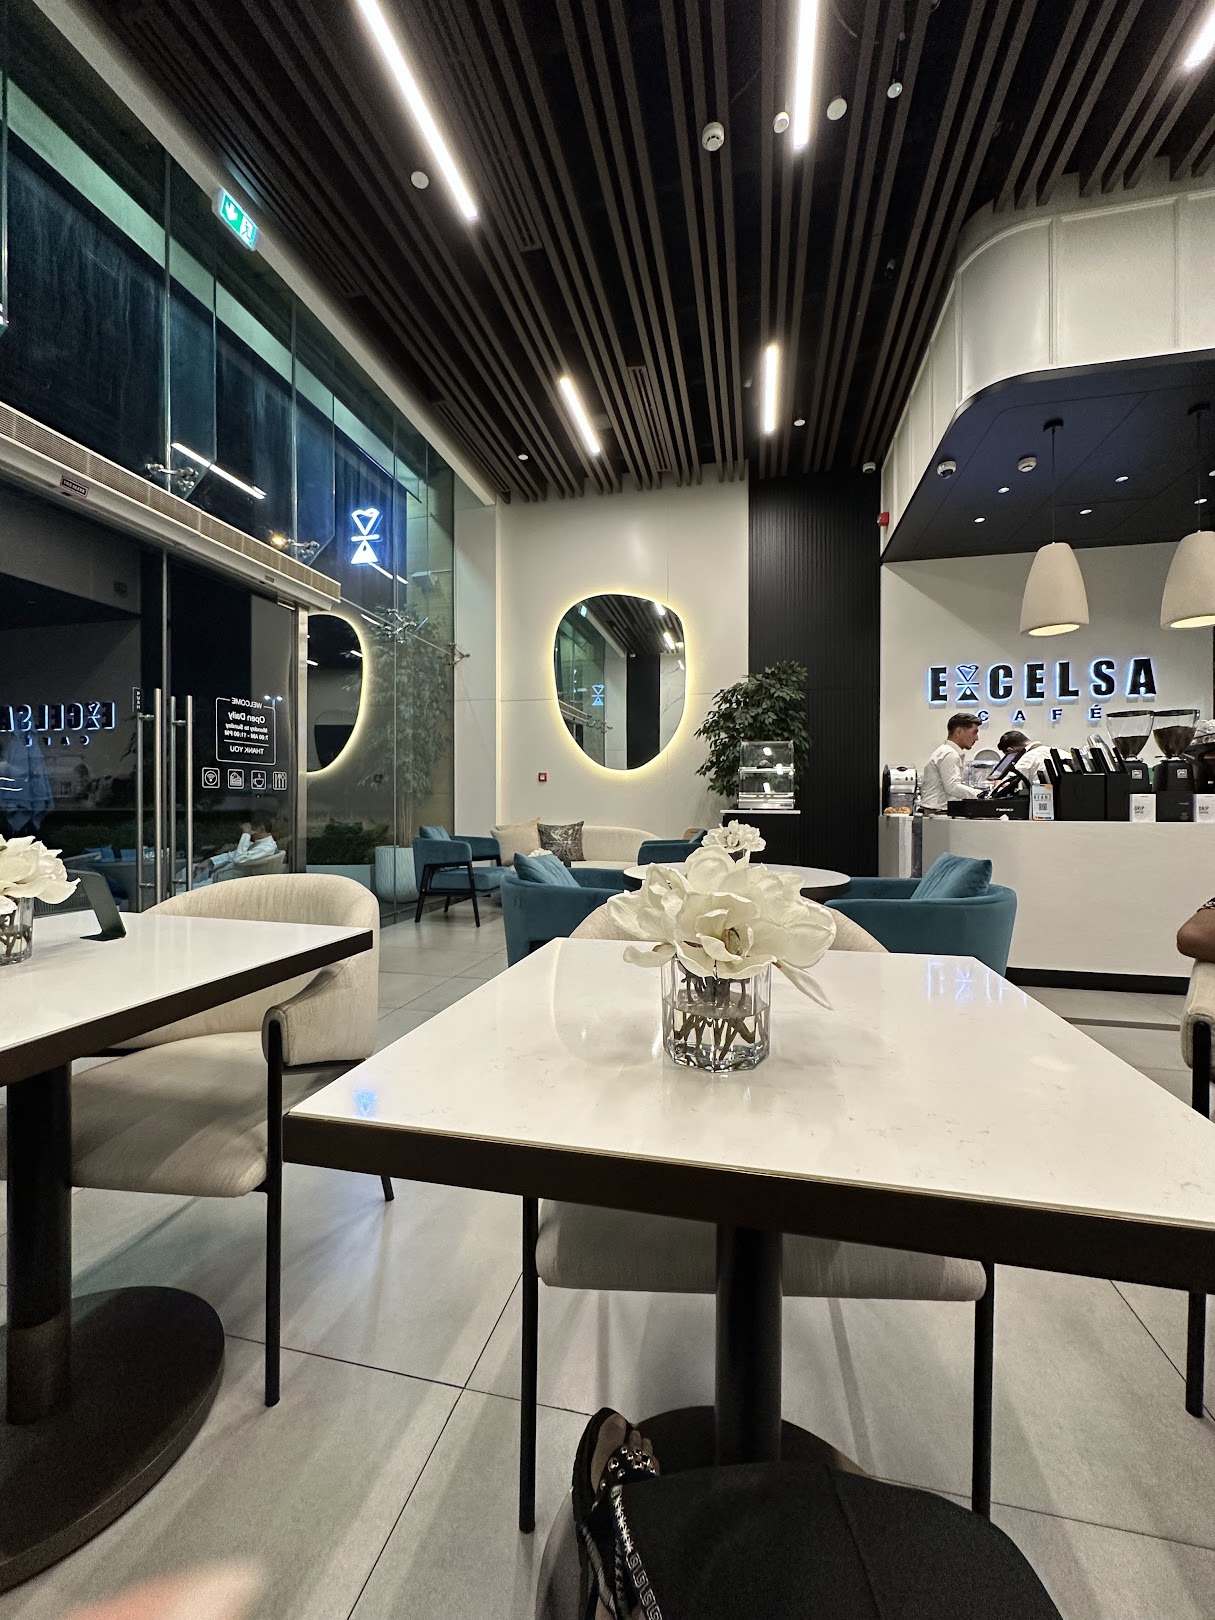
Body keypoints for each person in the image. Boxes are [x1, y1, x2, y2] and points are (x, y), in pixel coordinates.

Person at [919, 712, 984, 812]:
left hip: (935, 811)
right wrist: (980, 795)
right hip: (938, 812)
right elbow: (952, 787)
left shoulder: (946, 751)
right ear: (959, 732)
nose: (976, 738)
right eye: (974, 732)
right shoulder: (950, 754)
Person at [203, 820, 277, 877]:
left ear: (260, 829)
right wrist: (210, 861)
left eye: (250, 829)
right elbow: (232, 855)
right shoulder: (259, 844)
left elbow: (239, 859)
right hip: (225, 876)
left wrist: (246, 834)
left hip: (232, 881)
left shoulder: (266, 848)